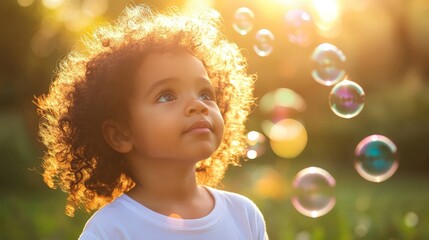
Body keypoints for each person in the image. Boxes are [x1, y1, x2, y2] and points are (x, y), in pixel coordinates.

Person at [35, 4, 268, 240]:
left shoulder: (244, 215)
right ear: (121, 134)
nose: (198, 105)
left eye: (205, 94)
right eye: (167, 96)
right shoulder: (111, 230)